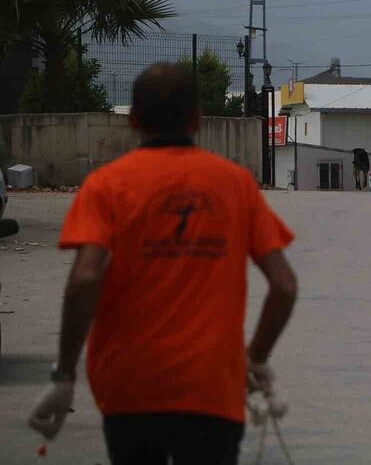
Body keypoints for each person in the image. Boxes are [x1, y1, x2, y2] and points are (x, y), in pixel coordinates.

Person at [28, 63, 298, 465]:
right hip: (213, 392)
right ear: (198, 119)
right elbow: (284, 285)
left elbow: (85, 277)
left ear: (133, 119)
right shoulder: (235, 184)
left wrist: (65, 374)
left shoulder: (107, 185)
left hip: (129, 391)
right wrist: (255, 358)